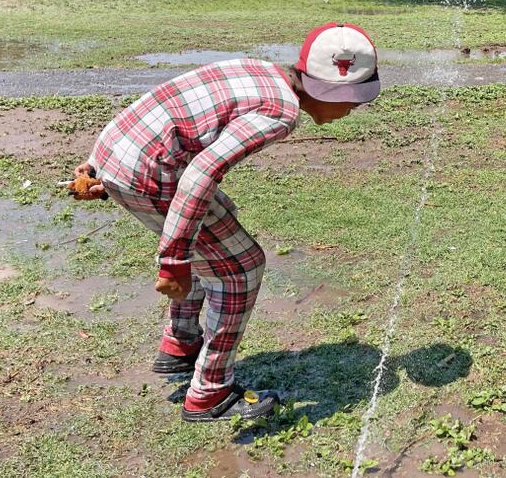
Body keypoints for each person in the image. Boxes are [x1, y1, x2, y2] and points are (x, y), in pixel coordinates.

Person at [72, 23, 381, 422]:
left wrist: (101, 162)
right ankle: (209, 392)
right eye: (352, 101)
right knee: (242, 267)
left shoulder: (264, 71)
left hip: (121, 152)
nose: (352, 110)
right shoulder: (281, 112)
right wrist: (174, 261)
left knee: (219, 238)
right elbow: (201, 174)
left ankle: (180, 345)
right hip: (151, 171)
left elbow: (164, 103)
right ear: (327, 90)